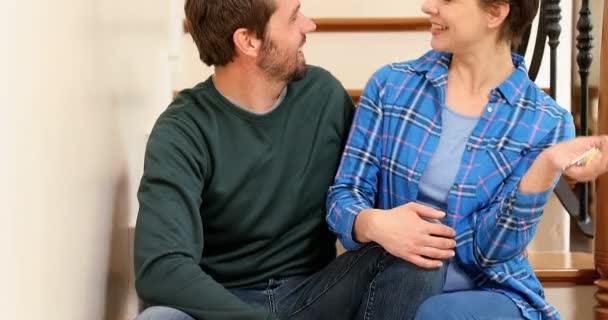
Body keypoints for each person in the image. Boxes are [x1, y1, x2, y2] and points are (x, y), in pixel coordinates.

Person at [133, 0, 452, 319]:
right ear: (248, 41)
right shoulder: (182, 130)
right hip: (223, 304)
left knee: (421, 248)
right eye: (293, 18)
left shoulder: (323, 95)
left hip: (317, 292)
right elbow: (161, 269)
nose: (308, 25)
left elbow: (364, 194)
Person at [326, 0, 608, 319]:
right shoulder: (392, 86)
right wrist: (374, 223)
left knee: (436, 314)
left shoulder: (546, 121)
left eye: (448, 0)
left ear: (495, 12)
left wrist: (542, 170)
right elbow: (343, 196)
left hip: (490, 293)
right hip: (394, 286)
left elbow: (490, 254)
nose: (428, 6)